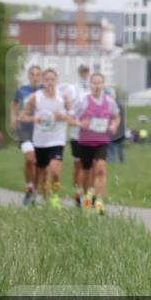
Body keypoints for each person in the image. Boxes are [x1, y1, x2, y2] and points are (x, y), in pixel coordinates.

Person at [19, 69, 71, 209]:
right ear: (42, 81)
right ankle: (47, 197)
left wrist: (63, 116)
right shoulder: (36, 97)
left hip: (57, 139)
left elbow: (70, 115)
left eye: (52, 79)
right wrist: (34, 118)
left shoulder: (62, 97)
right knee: (42, 173)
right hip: (40, 141)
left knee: (55, 172)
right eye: (47, 79)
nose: (50, 82)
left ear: (57, 80)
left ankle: (55, 195)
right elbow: (22, 116)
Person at [74, 72, 120, 214]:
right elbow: (70, 117)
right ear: (90, 85)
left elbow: (117, 116)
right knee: (87, 172)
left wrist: (114, 125)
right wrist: (81, 123)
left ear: (103, 85)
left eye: (100, 83)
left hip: (102, 141)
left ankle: (99, 201)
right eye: (94, 83)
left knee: (100, 169)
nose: (97, 85)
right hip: (85, 141)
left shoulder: (109, 101)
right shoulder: (83, 101)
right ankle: (87, 198)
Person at [10, 65, 42, 205]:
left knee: (38, 163)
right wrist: (13, 117)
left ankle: (34, 190)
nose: (35, 77)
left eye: (37, 74)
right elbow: (13, 104)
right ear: (29, 76)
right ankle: (29, 186)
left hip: (41, 131)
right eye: (32, 74)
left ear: (40, 77)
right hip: (24, 129)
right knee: (29, 158)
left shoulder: (45, 91)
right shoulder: (22, 90)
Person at [67, 64, 91, 207]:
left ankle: (88, 195)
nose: (84, 74)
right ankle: (77, 193)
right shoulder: (72, 89)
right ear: (79, 73)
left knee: (90, 167)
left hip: (92, 135)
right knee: (78, 166)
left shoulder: (92, 88)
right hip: (77, 134)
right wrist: (78, 123)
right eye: (82, 72)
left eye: (86, 71)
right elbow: (69, 110)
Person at [108, 99, 126, 164]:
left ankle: (111, 162)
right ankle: (122, 161)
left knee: (111, 149)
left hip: (113, 132)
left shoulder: (112, 109)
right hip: (121, 132)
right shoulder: (122, 108)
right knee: (120, 149)